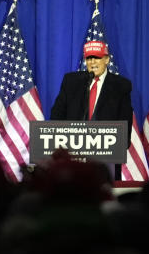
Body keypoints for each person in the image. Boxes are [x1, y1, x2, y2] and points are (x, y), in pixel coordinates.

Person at [50, 40, 133, 180]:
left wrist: (114, 147)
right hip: (73, 159)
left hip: (106, 162)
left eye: (97, 57)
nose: (92, 62)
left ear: (107, 59)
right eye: (89, 58)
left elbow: (125, 126)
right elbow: (56, 116)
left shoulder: (121, 86)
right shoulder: (71, 81)